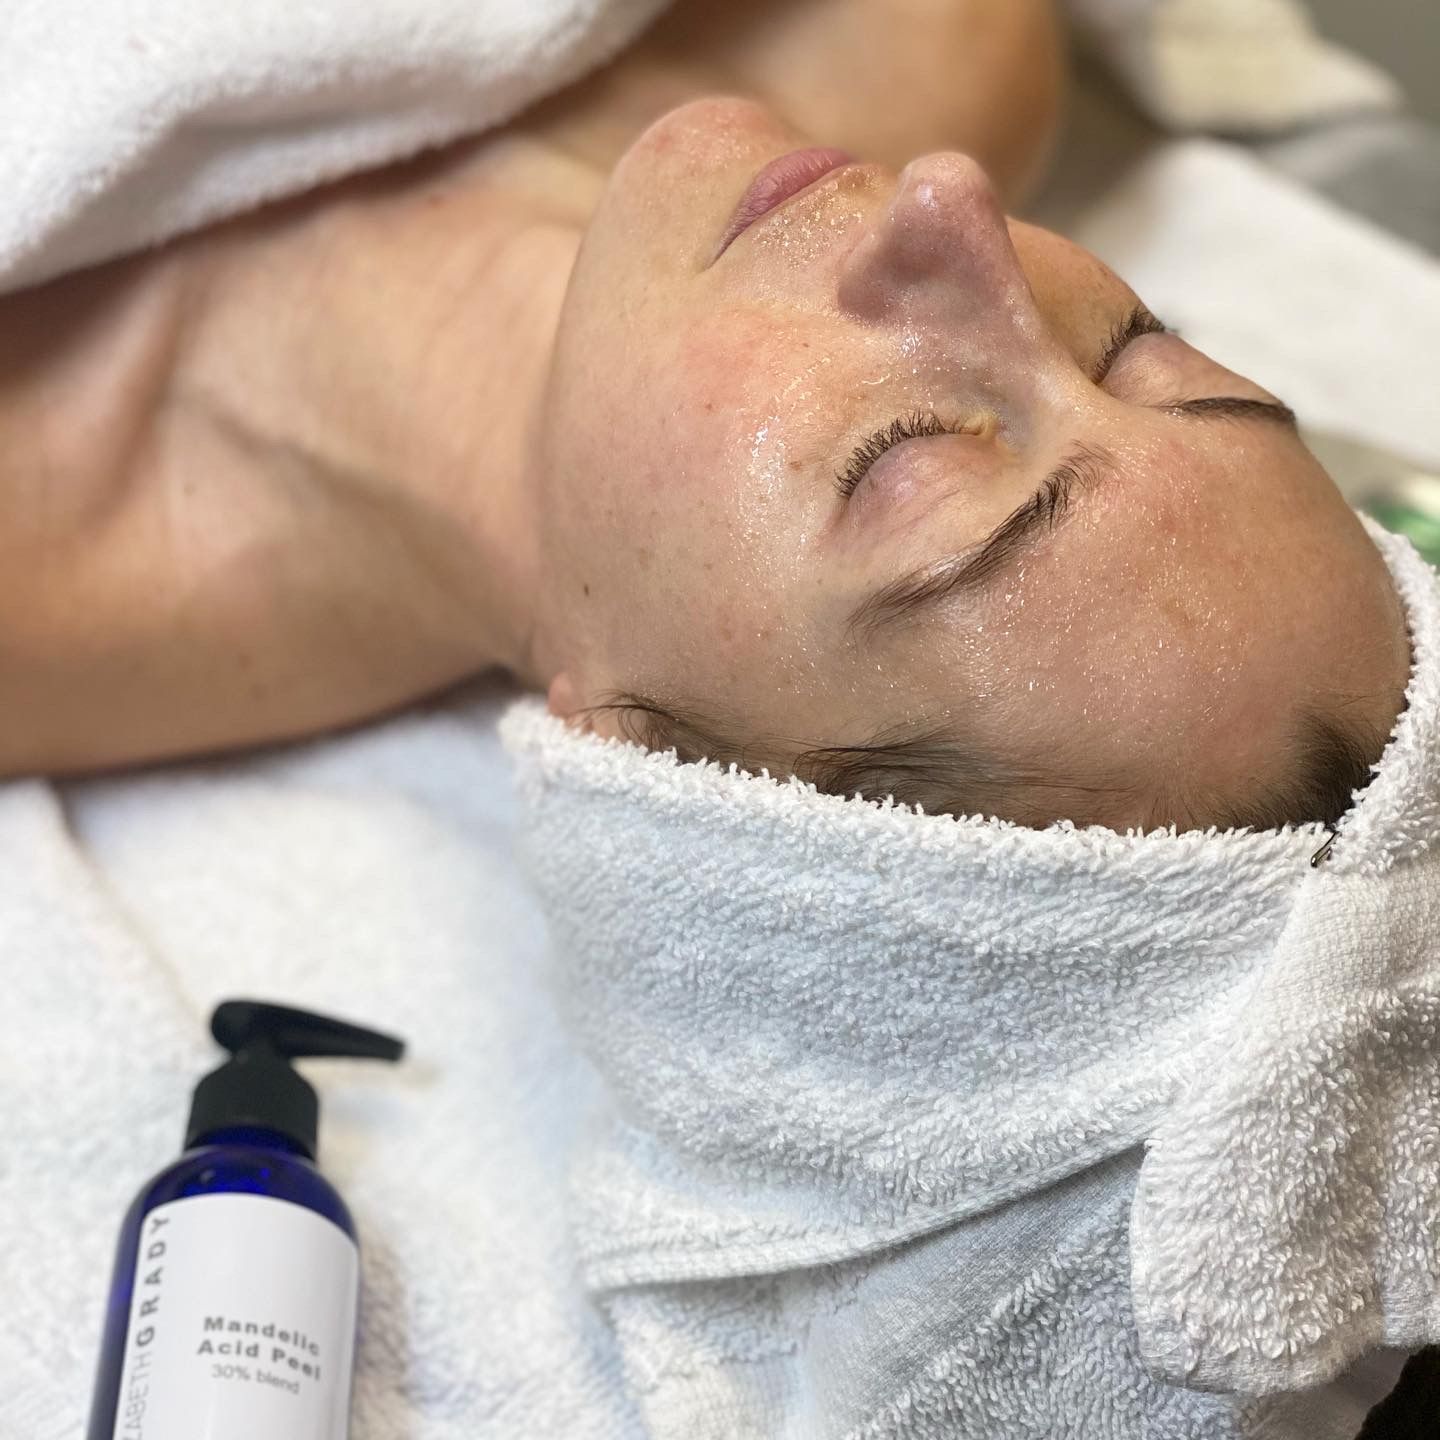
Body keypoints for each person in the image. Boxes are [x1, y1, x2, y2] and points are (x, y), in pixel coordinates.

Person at [0, 0, 1409, 835]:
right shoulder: (917, 28)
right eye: (1134, 346)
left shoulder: (39, 593)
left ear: (655, 777)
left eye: (910, 462)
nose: (952, 213)